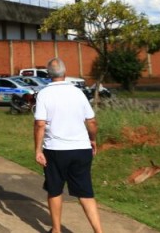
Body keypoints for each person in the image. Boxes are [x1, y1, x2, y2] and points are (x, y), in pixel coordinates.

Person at [34, 57, 103, 233]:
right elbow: (92, 121)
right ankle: (99, 231)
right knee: (85, 192)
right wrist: (93, 139)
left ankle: (56, 230)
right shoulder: (78, 93)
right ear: (65, 72)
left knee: (55, 189)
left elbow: (40, 124)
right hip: (81, 148)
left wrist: (37, 149)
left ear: (48, 75)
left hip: (55, 150)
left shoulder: (44, 94)